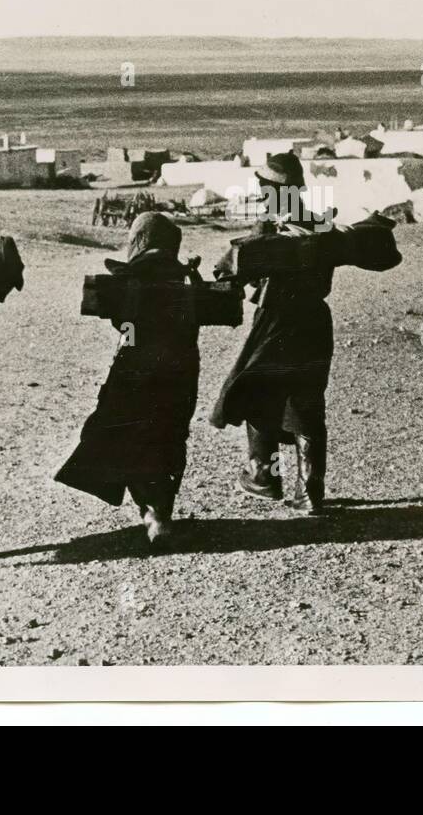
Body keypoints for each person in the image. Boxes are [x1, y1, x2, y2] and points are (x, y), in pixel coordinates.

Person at [55, 212, 201, 550]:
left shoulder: (129, 276)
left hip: (134, 368)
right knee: (169, 435)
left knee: (128, 432)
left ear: (139, 241)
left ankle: (147, 509)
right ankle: (161, 513)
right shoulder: (184, 279)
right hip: (180, 371)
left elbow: (122, 322)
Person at [209, 151, 332, 514]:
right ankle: (310, 493)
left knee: (257, 392)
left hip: (276, 322)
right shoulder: (319, 224)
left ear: (270, 188)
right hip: (314, 321)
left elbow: (228, 270)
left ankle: (263, 477)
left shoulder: (268, 228)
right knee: (306, 405)